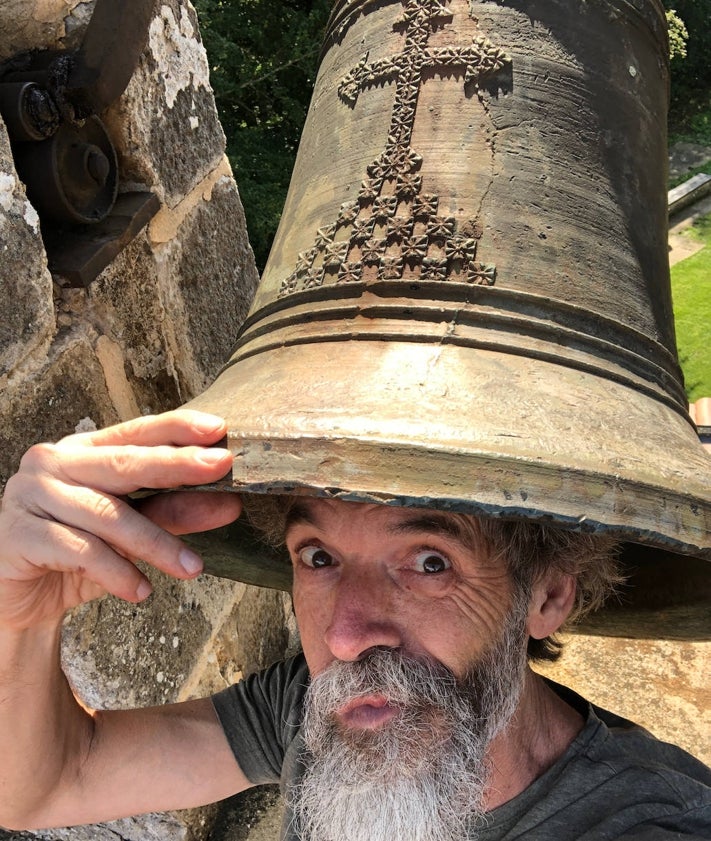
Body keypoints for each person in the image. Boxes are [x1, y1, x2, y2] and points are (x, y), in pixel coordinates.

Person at [0, 409, 708, 840]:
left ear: (546, 597)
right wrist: (17, 615)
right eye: (319, 556)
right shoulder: (323, 713)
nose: (343, 638)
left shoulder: (646, 820)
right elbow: (45, 784)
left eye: (428, 561)